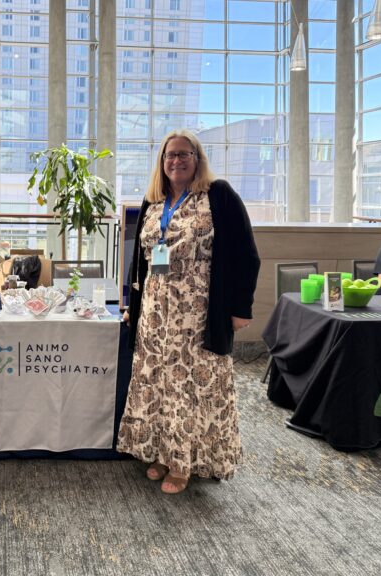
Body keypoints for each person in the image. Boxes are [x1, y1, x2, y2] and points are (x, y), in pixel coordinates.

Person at [118, 129, 260, 494]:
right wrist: (132, 306)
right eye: (170, 155)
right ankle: (164, 452)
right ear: (161, 163)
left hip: (198, 311)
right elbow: (142, 262)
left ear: (198, 158)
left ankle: (184, 464)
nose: (176, 161)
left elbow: (246, 254)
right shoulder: (153, 202)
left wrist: (240, 308)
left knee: (192, 385)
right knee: (160, 384)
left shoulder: (218, 195)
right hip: (155, 312)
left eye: (184, 154)